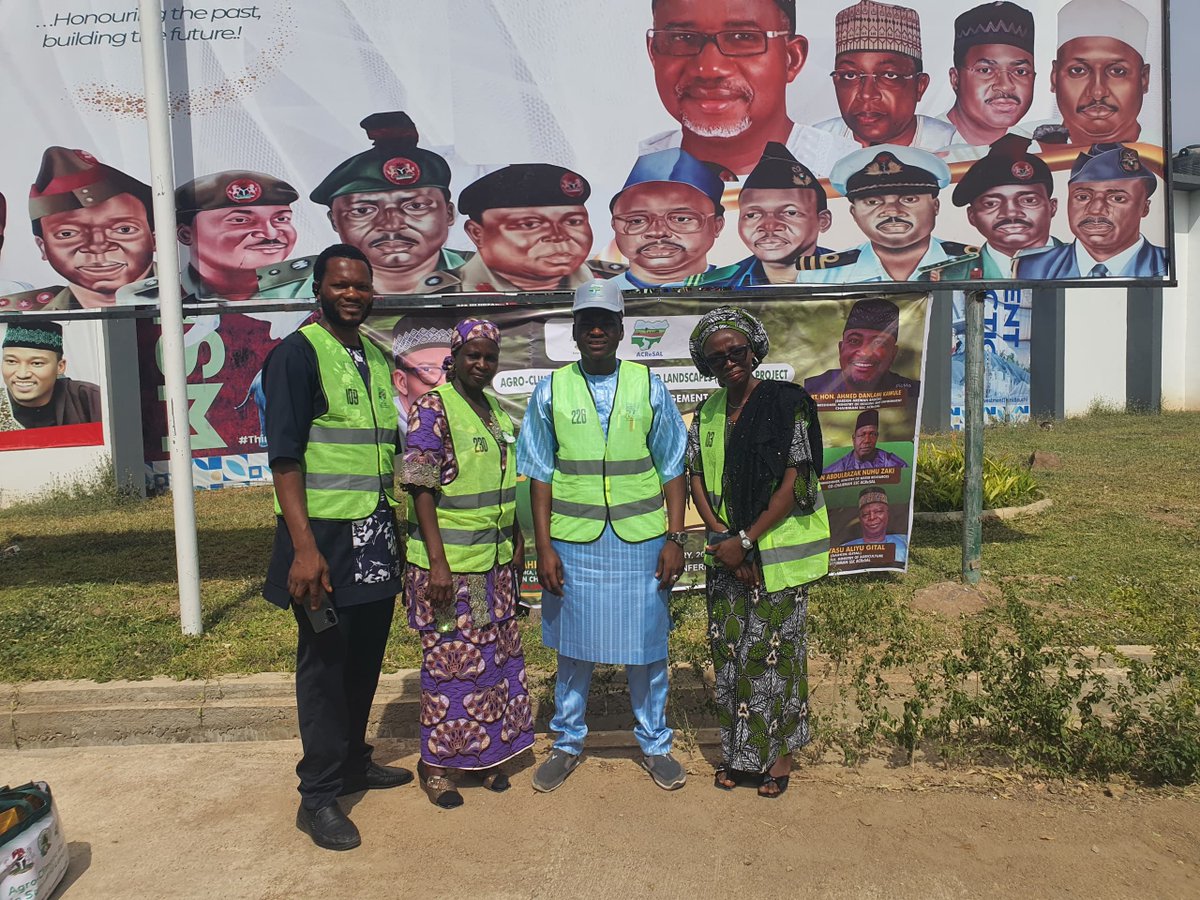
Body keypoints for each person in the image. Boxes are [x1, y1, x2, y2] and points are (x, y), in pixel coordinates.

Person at [261, 243, 412, 852]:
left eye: (362, 286)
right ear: (319, 289)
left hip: (373, 533)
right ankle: (318, 795)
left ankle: (352, 761)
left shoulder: (372, 355)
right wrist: (304, 549)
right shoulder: (297, 354)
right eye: (341, 285)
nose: (353, 294)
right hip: (322, 540)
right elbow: (285, 458)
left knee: (365, 655)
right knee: (325, 666)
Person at [516, 279, 688, 793]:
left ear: (619, 330)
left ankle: (655, 743)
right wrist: (544, 546)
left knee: (647, 646)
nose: (596, 331)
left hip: (642, 541)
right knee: (574, 647)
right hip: (574, 542)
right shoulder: (551, 390)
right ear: (574, 331)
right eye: (587, 323)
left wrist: (675, 537)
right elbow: (539, 473)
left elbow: (673, 466)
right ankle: (567, 743)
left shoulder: (648, 384)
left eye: (605, 323)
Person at [686, 307, 829, 798]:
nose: (729, 362)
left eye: (736, 352)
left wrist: (747, 543)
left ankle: (780, 758)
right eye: (717, 358)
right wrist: (723, 537)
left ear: (754, 352)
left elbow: (795, 481)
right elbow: (696, 476)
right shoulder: (707, 413)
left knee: (776, 656)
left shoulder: (788, 404)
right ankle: (740, 755)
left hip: (775, 556)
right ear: (706, 366)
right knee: (730, 656)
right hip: (726, 555)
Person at [402, 319, 534, 808]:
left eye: (489, 357)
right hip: (449, 570)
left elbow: (498, 483)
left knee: (488, 661)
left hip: (490, 566)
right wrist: (437, 563)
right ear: (453, 358)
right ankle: (435, 766)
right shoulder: (432, 408)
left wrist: (515, 537)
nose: (481, 364)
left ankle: (482, 756)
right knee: (449, 665)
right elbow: (420, 486)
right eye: (472, 355)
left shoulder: (494, 410)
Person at [640, 0, 856, 178]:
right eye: (682, 38)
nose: (709, 69)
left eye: (742, 37)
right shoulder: (634, 169)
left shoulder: (852, 170)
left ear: (791, 58)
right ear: (653, 53)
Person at [307, 111, 473, 296]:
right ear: (334, 221)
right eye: (363, 210)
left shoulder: (493, 277)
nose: (391, 225)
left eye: (416, 206)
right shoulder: (287, 290)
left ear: (449, 214)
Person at [2, 147, 155, 311]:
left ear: (155, 238)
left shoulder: (178, 299)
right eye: (67, 233)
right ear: (43, 247)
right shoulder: (18, 317)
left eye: (124, 230)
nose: (97, 246)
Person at [796, 146, 975, 284]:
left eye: (909, 199)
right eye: (873, 202)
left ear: (935, 206)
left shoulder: (976, 264)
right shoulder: (820, 276)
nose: (892, 211)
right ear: (854, 213)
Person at [118, 171, 304, 303]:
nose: (271, 233)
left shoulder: (305, 286)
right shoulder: (146, 298)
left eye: (281, 219)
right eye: (240, 220)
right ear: (185, 234)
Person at [453, 164, 622, 292]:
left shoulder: (618, 284)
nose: (558, 236)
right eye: (530, 224)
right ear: (477, 233)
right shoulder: (446, 292)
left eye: (573, 222)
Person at [813, 1, 955, 152]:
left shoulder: (953, 146)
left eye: (889, 75)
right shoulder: (813, 146)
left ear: (920, 86)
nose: (867, 94)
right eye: (850, 75)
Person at [1015, 144, 1167, 279]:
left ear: (1144, 208)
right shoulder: (1033, 267)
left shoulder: (1166, 264)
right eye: (1083, 197)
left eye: (1117, 198)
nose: (1095, 210)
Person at [930, 134, 1062, 281]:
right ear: (972, 216)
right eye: (991, 204)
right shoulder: (948, 277)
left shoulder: (1081, 263)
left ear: (1052, 207)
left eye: (1028, 200)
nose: (1011, 213)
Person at [609, 148, 736, 289]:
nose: (657, 232)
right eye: (637, 221)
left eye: (681, 219)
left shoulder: (739, 286)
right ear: (614, 225)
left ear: (717, 226)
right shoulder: (600, 293)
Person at [1032, 0, 1153, 147]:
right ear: (1054, 78)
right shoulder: (1023, 149)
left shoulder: (1160, 152)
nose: (1098, 93)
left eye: (1117, 71)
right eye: (1078, 70)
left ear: (1144, 79)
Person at [724, 142, 831, 288]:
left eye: (790, 213)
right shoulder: (721, 283)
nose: (769, 226)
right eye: (752, 215)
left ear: (823, 221)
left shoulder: (854, 273)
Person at [941, 3, 1037, 149]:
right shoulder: (925, 148)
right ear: (955, 79)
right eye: (985, 70)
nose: (1005, 85)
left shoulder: (1037, 150)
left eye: (1020, 72)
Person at [803, 297, 920, 399]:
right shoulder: (810, 389)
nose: (865, 353)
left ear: (893, 353)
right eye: (854, 341)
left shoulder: (913, 392)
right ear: (840, 348)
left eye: (878, 343)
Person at [0, 321, 101, 430]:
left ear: (60, 367)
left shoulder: (90, 399)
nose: (22, 374)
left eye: (36, 363)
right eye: (11, 361)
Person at [391, 323, 453, 436]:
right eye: (427, 370)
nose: (443, 382)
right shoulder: (385, 421)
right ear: (401, 382)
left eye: (451, 369)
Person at [823, 409, 907, 474]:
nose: (867, 440)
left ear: (877, 437)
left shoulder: (887, 460)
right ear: (854, 438)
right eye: (862, 435)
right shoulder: (840, 466)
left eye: (872, 434)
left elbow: (905, 475)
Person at [841, 487, 908, 562]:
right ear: (860, 518)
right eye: (866, 514)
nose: (872, 517)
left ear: (887, 514)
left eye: (878, 511)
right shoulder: (845, 550)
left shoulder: (904, 541)